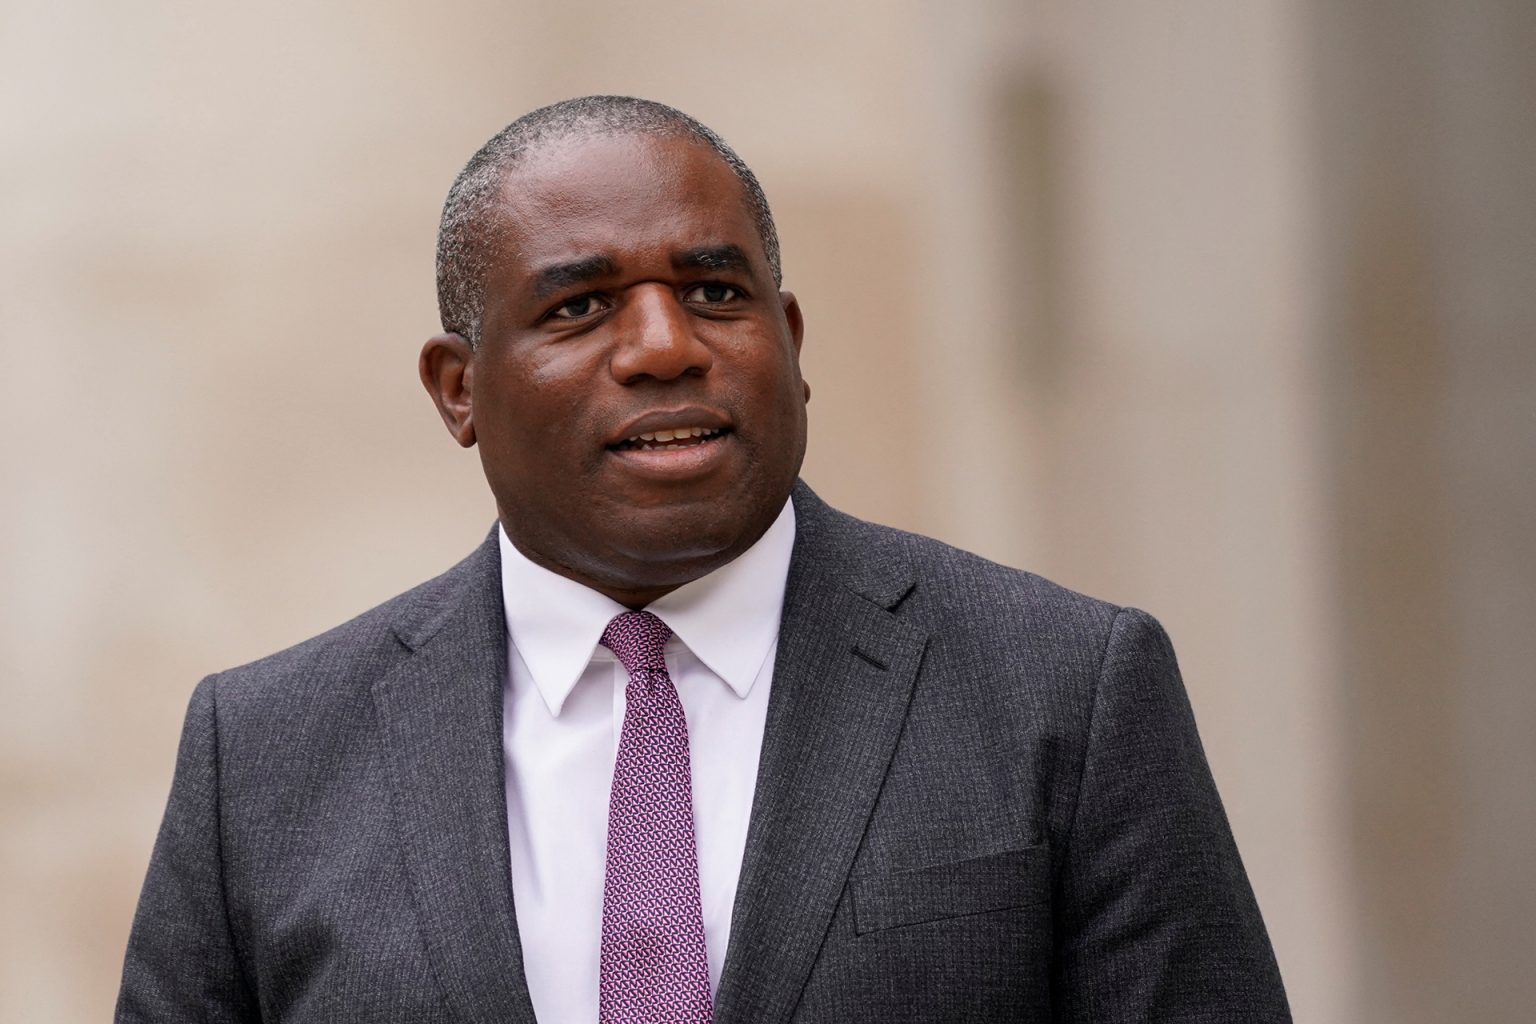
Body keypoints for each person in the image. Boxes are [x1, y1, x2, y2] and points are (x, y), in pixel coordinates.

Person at [116, 95, 1291, 1023]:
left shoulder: (1065, 686)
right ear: (458, 388)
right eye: (580, 308)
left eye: (716, 291)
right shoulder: (261, 758)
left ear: (791, 342)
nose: (664, 345)